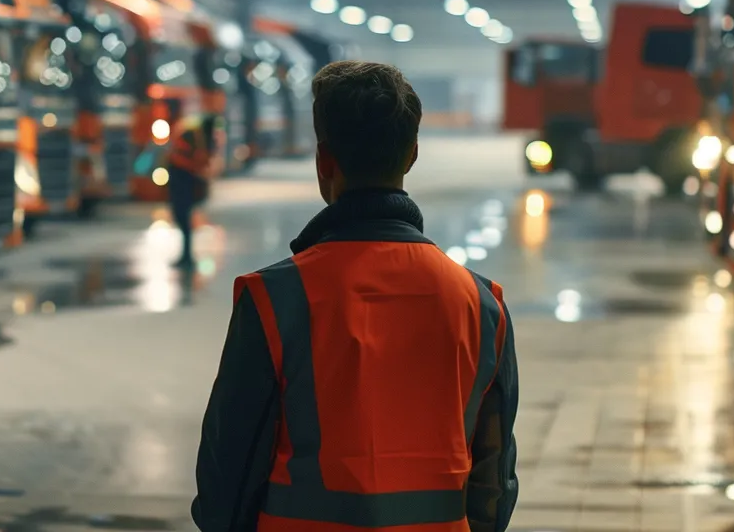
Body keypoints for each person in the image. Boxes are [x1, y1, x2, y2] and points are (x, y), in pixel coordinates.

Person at [192, 61, 519, 532]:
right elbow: (494, 487)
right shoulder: (482, 306)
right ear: (412, 155)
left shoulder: (275, 299)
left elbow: (226, 477)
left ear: (325, 162)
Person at [167, 115, 213, 267]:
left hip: (183, 181)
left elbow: (179, 156)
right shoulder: (198, 137)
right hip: (186, 181)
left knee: (183, 219)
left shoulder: (194, 136)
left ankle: (186, 256)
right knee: (183, 219)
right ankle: (186, 255)